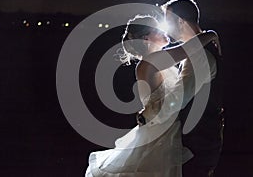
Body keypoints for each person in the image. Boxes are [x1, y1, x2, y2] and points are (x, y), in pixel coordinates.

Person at [85, 15, 218, 177]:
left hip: (162, 125)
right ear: (147, 38)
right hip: (162, 130)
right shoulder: (151, 61)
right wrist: (211, 34)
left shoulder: (154, 61)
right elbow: (187, 49)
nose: (165, 31)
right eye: (158, 29)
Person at [160, 0, 224, 177]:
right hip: (202, 141)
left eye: (168, 20)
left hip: (196, 145)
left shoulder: (199, 56)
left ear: (180, 22)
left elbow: (178, 100)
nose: (166, 26)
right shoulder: (203, 48)